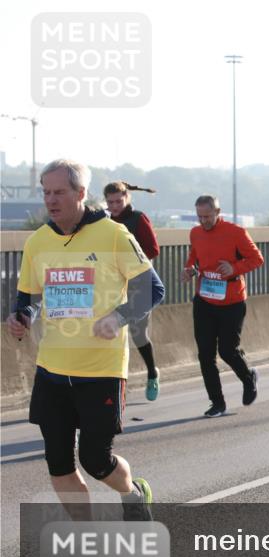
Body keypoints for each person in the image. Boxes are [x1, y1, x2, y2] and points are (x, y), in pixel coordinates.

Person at [6, 159, 163, 521]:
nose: (51, 199)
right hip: (52, 370)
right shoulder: (37, 242)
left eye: (59, 192)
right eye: (45, 192)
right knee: (58, 464)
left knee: (96, 459)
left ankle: (132, 491)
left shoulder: (113, 235)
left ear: (81, 194)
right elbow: (28, 297)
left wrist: (118, 317)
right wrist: (22, 318)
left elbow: (153, 289)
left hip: (102, 370)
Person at [183, 195, 264, 417]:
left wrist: (234, 268)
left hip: (232, 301)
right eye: (199, 217)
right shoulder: (195, 233)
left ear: (218, 212)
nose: (203, 221)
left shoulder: (236, 232)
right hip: (204, 299)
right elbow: (194, 257)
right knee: (205, 355)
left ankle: (249, 378)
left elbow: (257, 259)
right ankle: (217, 402)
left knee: (227, 350)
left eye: (207, 216)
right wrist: (189, 269)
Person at [104, 181, 162, 401]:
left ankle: (152, 372)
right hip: (114, 284)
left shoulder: (138, 218)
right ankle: (115, 384)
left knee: (139, 335)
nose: (115, 206)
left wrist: (128, 259)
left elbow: (153, 250)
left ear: (127, 198)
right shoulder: (105, 222)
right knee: (111, 333)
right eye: (110, 202)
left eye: (119, 201)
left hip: (140, 284)